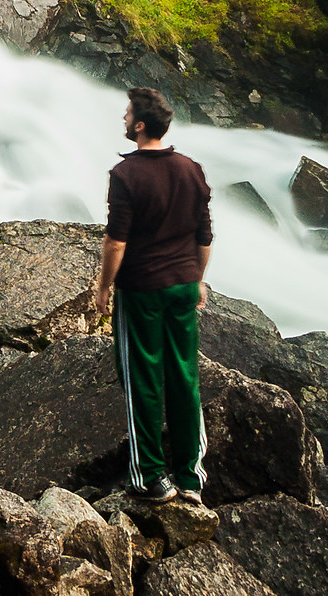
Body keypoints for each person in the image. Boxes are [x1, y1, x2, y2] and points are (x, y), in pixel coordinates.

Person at [92, 85, 213, 504]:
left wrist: (104, 286)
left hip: (142, 289)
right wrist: (197, 278)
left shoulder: (126, 175)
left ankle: (150, 477)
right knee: (184, 376)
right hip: (183, 284)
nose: (123, 120)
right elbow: (204, 235)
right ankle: (191, 478)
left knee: (142, 378)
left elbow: (116, 242)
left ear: (140, 125)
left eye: (127, 115)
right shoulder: (191, 169)